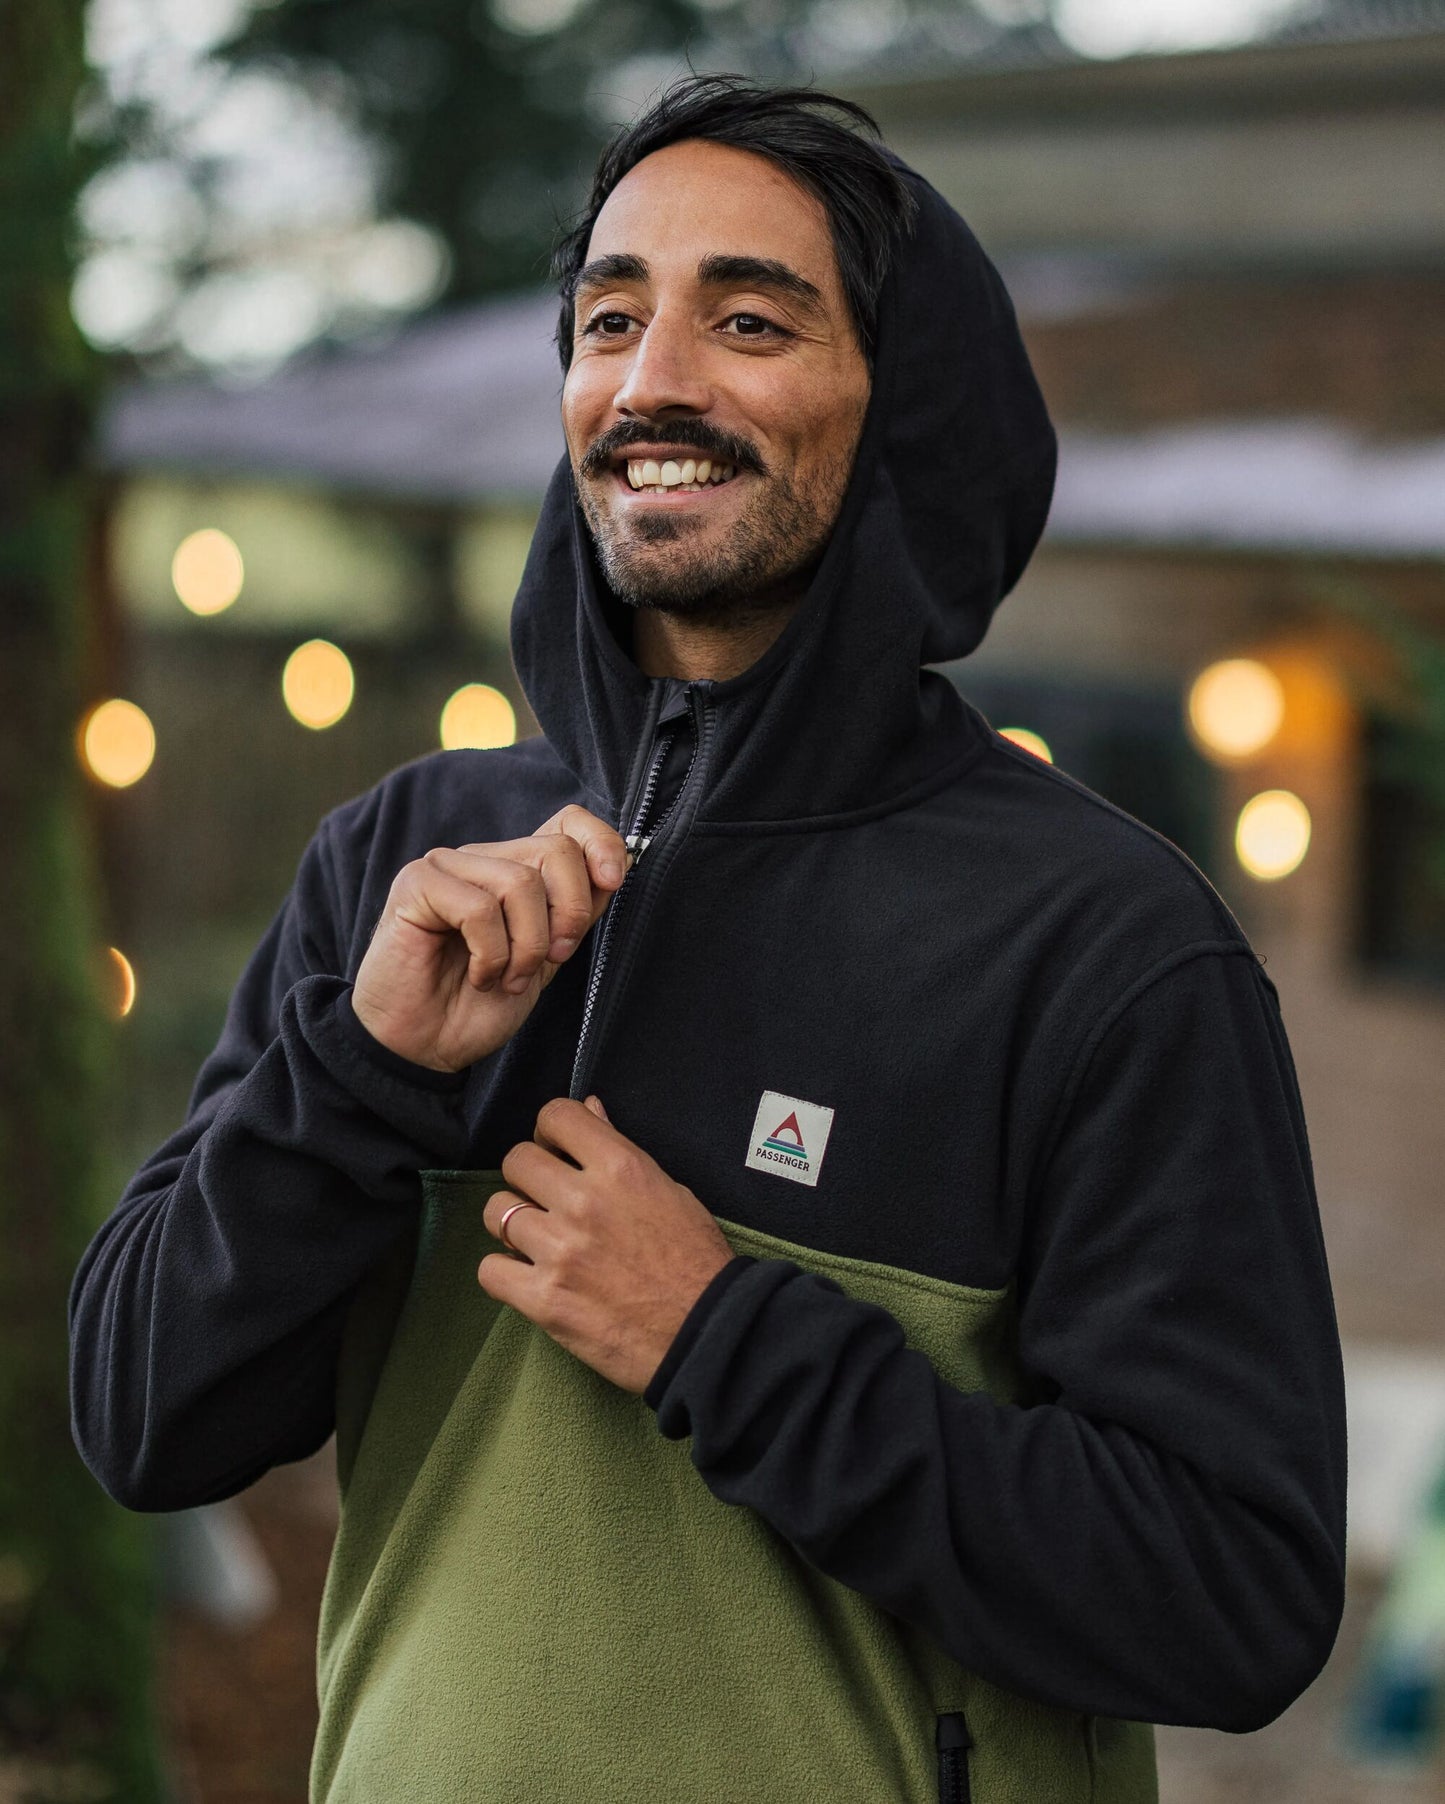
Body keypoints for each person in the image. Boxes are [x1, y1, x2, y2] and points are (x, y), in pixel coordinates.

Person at [70, 74, 1347, 1804]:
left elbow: (1231, 1601)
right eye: (611, 320)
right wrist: (355, 1079)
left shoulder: (1096, 945)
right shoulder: (404, 864)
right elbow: (142, 1420)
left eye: (747, 321)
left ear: (901, 409)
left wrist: (719, 1336)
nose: (650, 381)